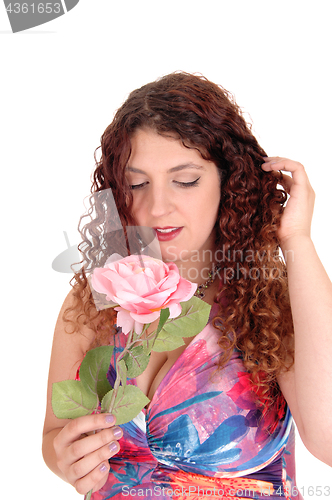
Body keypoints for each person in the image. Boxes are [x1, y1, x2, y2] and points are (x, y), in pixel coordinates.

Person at [42, 72, 332, 500]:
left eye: (186, 180)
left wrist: (297, 241)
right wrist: (62, 456)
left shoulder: (271, 301)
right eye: (137, 184)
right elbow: (53, 436)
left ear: (228, 181)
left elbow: (327, 438)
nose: (157, 206)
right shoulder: (95, 298)